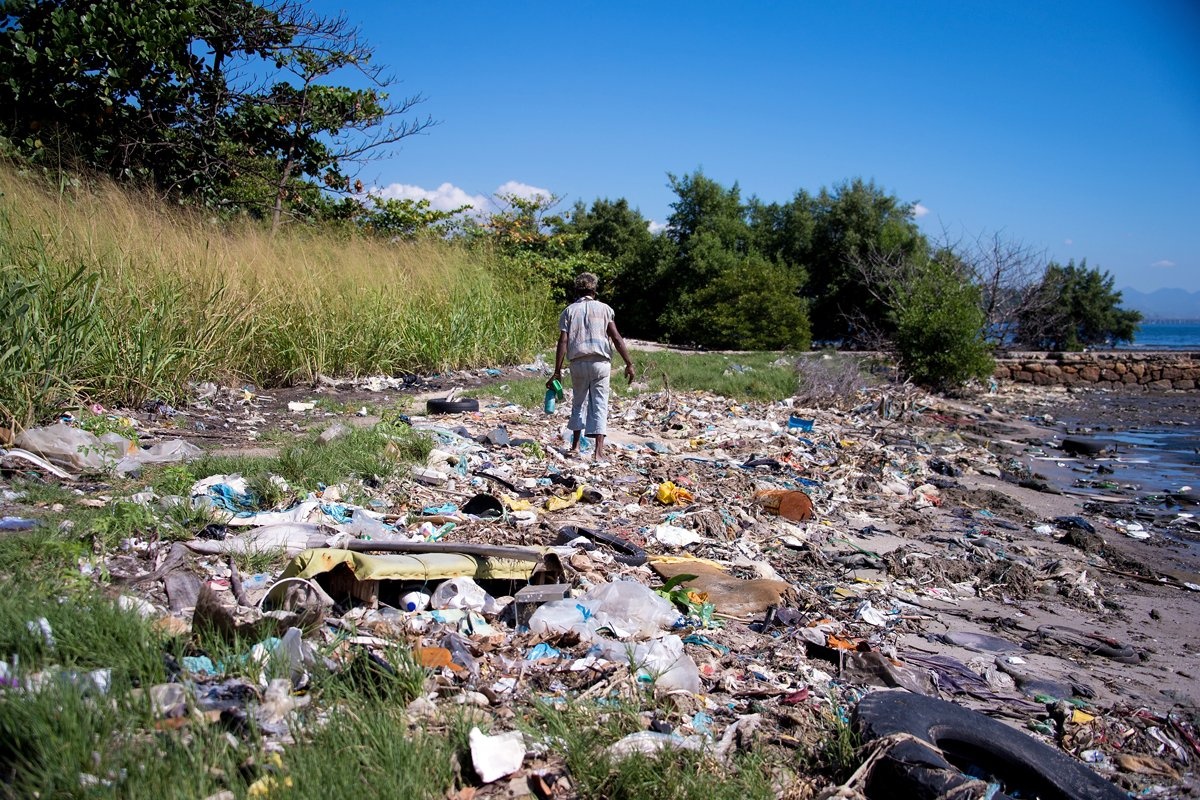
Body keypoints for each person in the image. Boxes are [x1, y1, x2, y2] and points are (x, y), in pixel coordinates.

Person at [548, 272, 635, 460]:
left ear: (576, 290)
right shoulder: (605, 309)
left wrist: (557, 371)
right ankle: (598, 452)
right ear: (594, 290)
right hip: (600, 363)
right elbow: (617, 338)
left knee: (578, 402)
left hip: (578, 363)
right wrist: (629, 363)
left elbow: (563, 341)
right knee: (600, 404)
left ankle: (575, 446)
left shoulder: (569, 311)